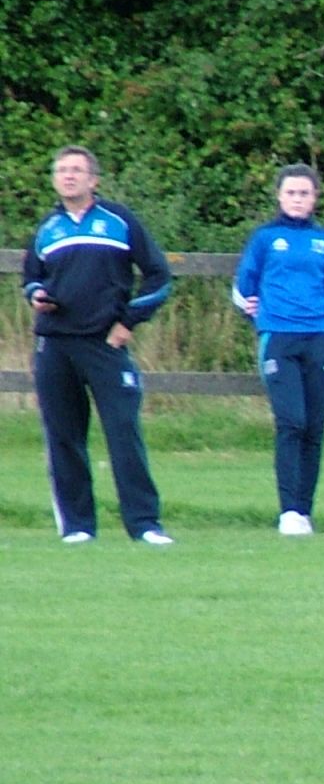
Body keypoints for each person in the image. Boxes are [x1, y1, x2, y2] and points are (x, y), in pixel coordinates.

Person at [21, 145, 175, 545]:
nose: (68, 176)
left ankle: (144, 524)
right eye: (61, 170)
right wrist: (38, 296)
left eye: (76, 170)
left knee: (123, 432)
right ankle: (78, 526)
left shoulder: (119, 221)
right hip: (55, 344)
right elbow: (31, 279)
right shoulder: (47, 228)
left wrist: (127, 323)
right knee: (63, 436)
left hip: (105, 343)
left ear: (94, 179)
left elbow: (159, 277)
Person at [232, 163, 324, 536]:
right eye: (292, 193)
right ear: (280, 196)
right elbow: (243, 286)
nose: (298, 199)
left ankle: (304, 511)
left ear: (315, 198)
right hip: (278, 336)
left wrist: (316, 317)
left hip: (318, 337)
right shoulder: (265, 238)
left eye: (305, 193)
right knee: (291, 421)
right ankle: (288, 511)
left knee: (314, 426)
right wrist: (255, 312)